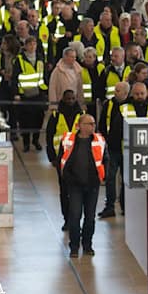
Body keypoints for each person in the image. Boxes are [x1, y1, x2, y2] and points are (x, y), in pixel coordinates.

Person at [60, 114, 108, 258]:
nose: (92, 126)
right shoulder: (68, 140)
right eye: (89, 124)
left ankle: (87, 245)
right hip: (74, 185)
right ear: (79, 126)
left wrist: (102, 177)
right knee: (75, 215)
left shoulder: (99, 140)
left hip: (92, 185)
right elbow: (61, 159)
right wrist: (67, 179)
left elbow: (105, 160)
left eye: (93, 124)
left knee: (90, 217)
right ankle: (74, 246)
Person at [46, 90, 83, 229]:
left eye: (73, 98)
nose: (71, 101)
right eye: (68, 98)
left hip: (78, 159)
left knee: (76, 191)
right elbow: (49, 137)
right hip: (61, 159)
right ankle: (67, 219)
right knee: (64, 191)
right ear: (63, 99)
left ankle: (75, 219)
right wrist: (52, 157)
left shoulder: (81, 115)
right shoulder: (55, 116)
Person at [98, 82, 130, 218]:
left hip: (127, 149)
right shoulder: (109, 104)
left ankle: (125, 206)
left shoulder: (130, 107)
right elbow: (102, 124)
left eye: (118, 90)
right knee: (110, 178)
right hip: (112, 148)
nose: (115, 92)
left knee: (126, 179)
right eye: (115, 90)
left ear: (125, 93)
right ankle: (109, 207)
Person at [14, 37, 47, 152]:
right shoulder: (20, 60)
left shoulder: (40, 59)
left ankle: (36, 140)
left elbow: (44, 76)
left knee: (39, 119)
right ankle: (26, 143)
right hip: (25, 95)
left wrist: (44, 92)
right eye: (30, 45)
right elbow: (15, 78)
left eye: (34, 44)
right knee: (25, 121)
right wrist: (16, 93)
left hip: (38, 94)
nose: (33, 47)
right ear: (26, 46)